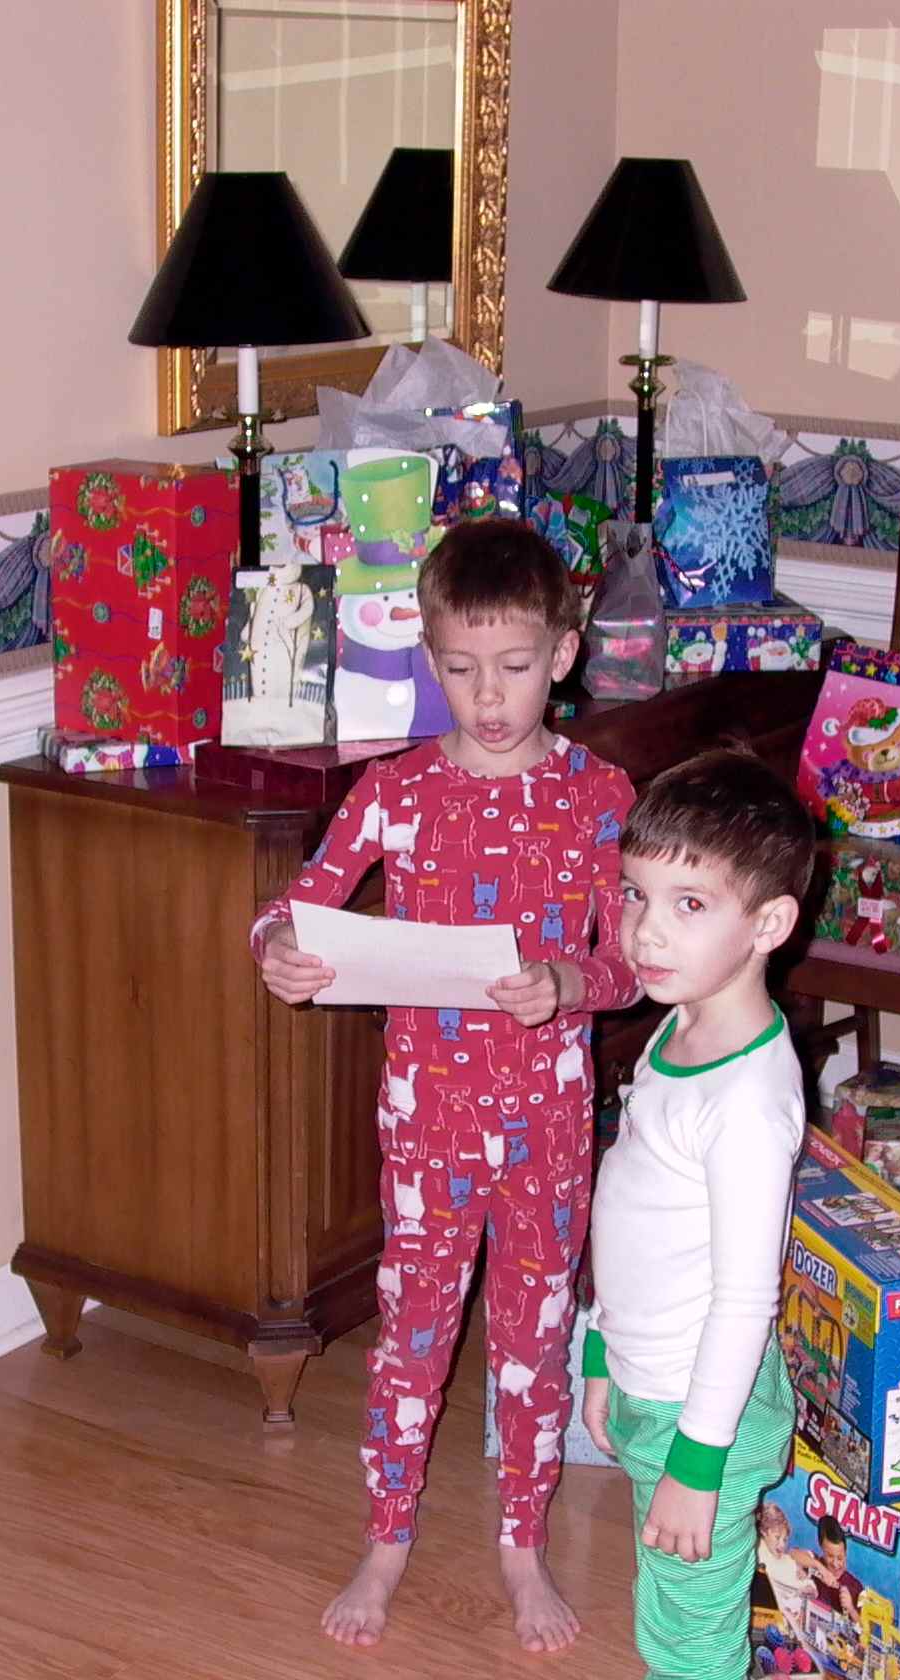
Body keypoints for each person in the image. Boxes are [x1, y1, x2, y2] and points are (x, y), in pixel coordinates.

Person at [250, 518, 638, 1651]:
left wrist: (569, 981)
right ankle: (385, 1538)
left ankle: (522, 1543)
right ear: (429, 660)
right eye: (461, 669)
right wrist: (280, 949)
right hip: (426, 1129)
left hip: (549, 1128)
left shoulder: (600, 796)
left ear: (562, 653)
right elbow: (292, 907)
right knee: (411, 1332)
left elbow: (631, 964)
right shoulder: (395, 790)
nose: (489, 696)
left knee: (534, 1337)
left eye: (514, 666)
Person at [580, 748, 816, 1680]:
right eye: (635, 895)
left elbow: (745, 1300)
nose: (645, 930)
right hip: (657, 1382)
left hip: (702, 1409)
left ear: (769, 924)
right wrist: (601, 1352)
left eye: (688, 904)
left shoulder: (748, 1102)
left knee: (692, 1637)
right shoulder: (681, 1024)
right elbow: (632, 1210)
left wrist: (697, 1462)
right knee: (672, 1597)